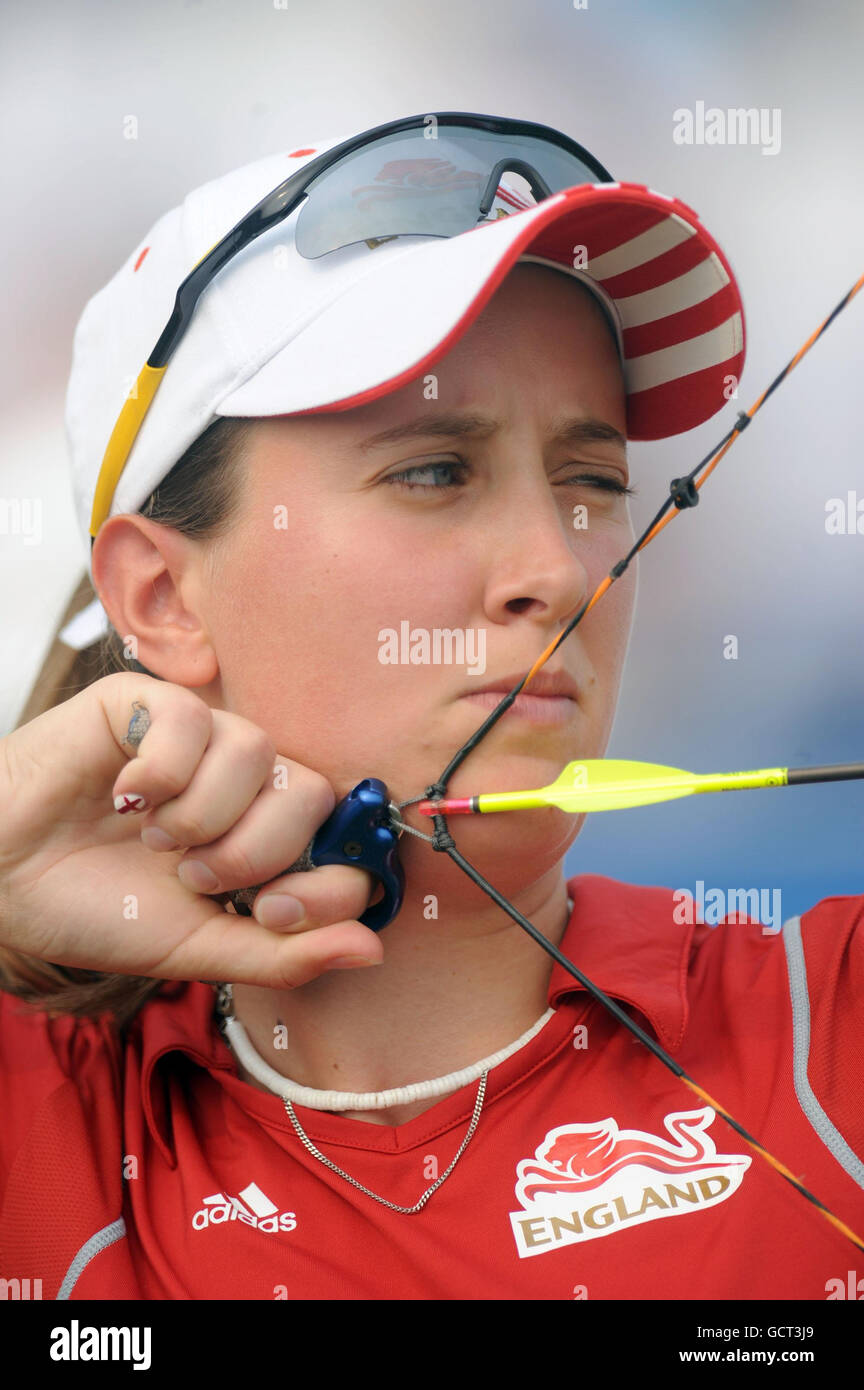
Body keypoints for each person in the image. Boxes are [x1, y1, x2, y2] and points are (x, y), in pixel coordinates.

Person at [0, 114, 860, 1301]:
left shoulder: (831, 1026)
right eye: (434, 471)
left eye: (594, 481)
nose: (560, 572)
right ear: (160, 598)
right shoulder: (39, 1123)